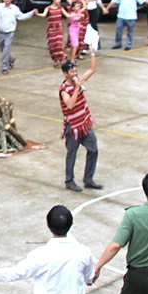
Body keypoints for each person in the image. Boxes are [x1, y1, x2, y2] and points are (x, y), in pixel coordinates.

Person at [59, 55, 102, 193]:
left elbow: (92, 69)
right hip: (73, 127)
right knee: (72, 154)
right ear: (66, 74)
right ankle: (69, 181)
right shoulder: (64, 90)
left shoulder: (78, 81)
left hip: (84, 123)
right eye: (72, 72)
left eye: (75, 71)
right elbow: (70, 105)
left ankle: (88, 179)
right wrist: (77, 88)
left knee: (93, 149)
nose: (75, 73)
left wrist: (92, 53)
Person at [0, 0, 35, 74]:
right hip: (1, 33)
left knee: (6, 49)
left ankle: (4, 67)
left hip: (10, 33)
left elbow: (21, 17)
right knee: (2, 48)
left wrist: (31, 13)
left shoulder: (14, 8)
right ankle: (11, 59)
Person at [37, 0, 67, 65]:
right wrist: (37, 13)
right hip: (51, 29)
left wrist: (77, 14)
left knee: (58, 44)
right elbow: (44, 14)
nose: (59, 0)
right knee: (52, 46)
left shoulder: (60, 8)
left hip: (59, 28)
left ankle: (61, 59)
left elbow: (67, 15)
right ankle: (55, 60)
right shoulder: (48, 8)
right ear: (54, 0)